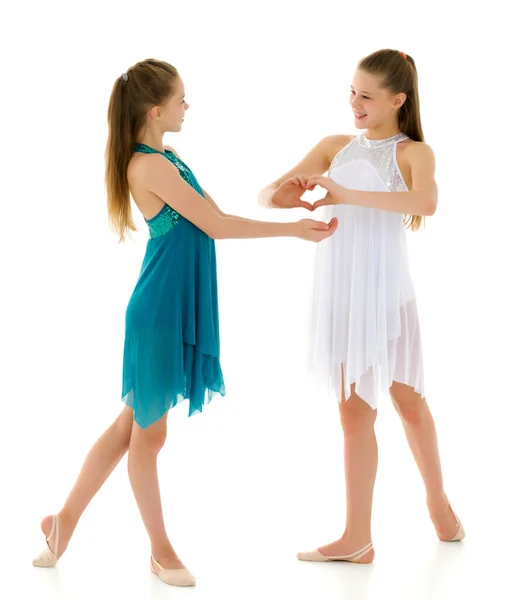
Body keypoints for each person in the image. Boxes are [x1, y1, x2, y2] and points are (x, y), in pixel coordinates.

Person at [32, 58, 337, 586]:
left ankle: (62, 523)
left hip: (170, 306)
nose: (187, 107)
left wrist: (285, 221)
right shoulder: (148, 166)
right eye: (180, 100)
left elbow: (213, 215)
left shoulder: (168, 157)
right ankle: (160, 550)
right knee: (148, 438)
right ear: (156, 109)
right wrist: (291, 230)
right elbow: (215, 226)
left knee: (130, 427)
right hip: (157, 313)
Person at [258, 49, 464, 564]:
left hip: (388, 293)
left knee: (408, 403)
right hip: (342, 295)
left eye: (367, 96)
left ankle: (437, 502)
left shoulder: (414, 152)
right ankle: (358, 537)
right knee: (352, 414)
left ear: (398, 100)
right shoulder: (333, 146)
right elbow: (267, 194)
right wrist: (290, 196)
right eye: (352, 91)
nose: (355, 103)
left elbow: (425, 203)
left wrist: (345, 194)